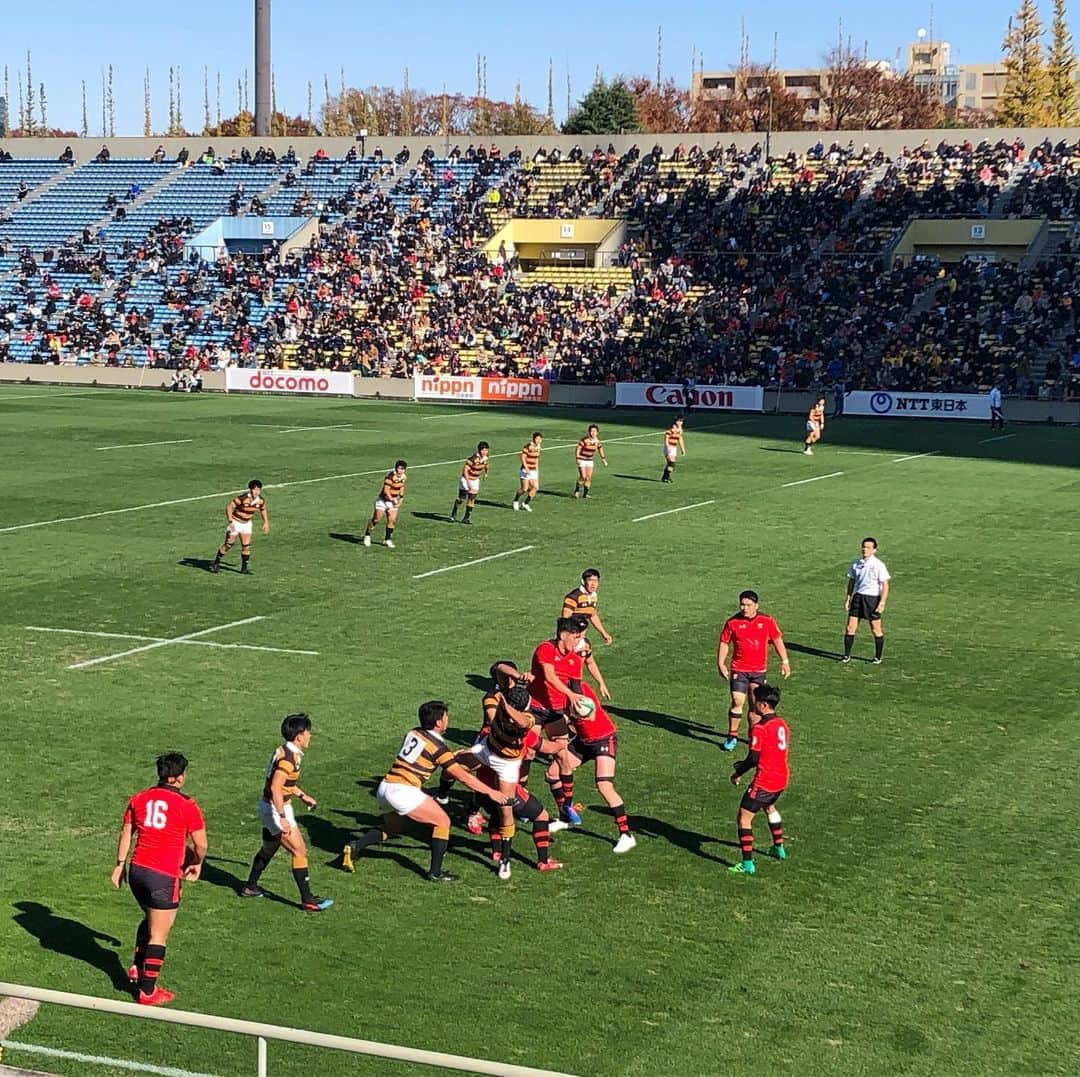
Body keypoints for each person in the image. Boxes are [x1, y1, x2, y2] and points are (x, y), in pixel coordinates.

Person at [338, 700, 508, 882]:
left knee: (393, 828)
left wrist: (452, 756)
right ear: (439, 722)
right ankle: (435, 872)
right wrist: (491, 792)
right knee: (443, 822)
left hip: (385, 787)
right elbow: (462, 776)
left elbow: (432, 754)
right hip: (404, 791)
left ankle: (354, 846)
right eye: (446, 716)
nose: (448, 719)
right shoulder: (439, 748)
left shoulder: (413, 732)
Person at [111, 753, 207, 1006]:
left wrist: (120, 865)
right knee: (159, 933)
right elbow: (201, 844)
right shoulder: (187, 804)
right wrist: (196, 862)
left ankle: (137, 967)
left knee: (150, 917)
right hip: (163, 875)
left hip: (137, 871)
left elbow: (127, 832)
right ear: (179, 777)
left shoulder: (139, 798)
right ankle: (148, 991)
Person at [240, 714, 332, 910]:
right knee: (299, 851)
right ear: (299, 735)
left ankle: (250, 887)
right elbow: (275, 787)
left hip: (274, 807)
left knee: (269, 849)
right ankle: (308, 899)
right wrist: (281, 817)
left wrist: (301, 795)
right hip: (275, 809)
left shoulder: (286, 751)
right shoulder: (288, 759)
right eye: (308, 733)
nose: (310, 736)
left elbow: (284, 784)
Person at [548, 680, 635, 853]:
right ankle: (566, 818)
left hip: (603, 738)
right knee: (552, 774)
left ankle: (626, 834)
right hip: (583, 741)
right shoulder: (555, 694)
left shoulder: (577, 688)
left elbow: (591, 715)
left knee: (604, 785)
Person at [717, 590, 791, 752]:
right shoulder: (732, 622)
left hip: (758, 671)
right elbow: (724, 642)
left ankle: (754, 738)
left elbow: (777, 640)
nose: (744, 608)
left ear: (756, 606)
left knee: (755, 706)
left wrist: (784, 661)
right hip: (739, 669)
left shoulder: (766, 621)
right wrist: (721, 663)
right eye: (742, 604)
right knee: (737, 701)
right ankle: (732, 735)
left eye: (748, 605)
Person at [728, 684, 790, 875]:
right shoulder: (782, 724)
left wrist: (738, 772)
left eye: (755, 700)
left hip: (765, 780)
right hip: (781, 779)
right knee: (769, 807)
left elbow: (754, 758)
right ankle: (778, 848)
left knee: (744, 818)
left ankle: (747, 865)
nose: (752, 703)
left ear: (763, 705)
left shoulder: (760, 728)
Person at [842, 537, 891, 664]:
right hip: (858, 597)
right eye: (864, 546)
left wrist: (882, 602)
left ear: (874, 550)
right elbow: (851, 581)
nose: (865, 549)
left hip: (872, 599)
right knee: (850, 627)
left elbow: (885, 585)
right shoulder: (855, 563)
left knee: (875, 629)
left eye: (868, 547)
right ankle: (846, 656)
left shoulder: (878, 565)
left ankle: (878, 657)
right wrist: (848, 598)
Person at [210, 479, 268, 574]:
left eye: (258, 490)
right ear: (250, 489)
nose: (256, 492)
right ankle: (216, 562)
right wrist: (230, 521)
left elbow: (263, 509)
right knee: (229, 544)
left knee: (246, 546)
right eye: (254, 489)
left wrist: (266, 522)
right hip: (236, 522)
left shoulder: (260, 500)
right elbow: (230, 506)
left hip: (247, 524)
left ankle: (244, 568)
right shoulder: (242, 498)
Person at [561, 567, 613, 646]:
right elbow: (565, 618)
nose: (593, 584)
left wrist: (604, 633)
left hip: (580, 635)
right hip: (569, 637)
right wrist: (573, 634)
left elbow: (592, 615)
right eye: (590, 580)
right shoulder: (574, 596)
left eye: (595, 581)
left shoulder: (593, 596)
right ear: (583, 581)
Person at [364, 459, 406, 548]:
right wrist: (392, 500)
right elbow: (386, 491)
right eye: (399, 468)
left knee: (392, 520)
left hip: (393, 501)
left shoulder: (403, 477)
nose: (401, 471)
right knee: (376, 519)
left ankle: (387, 539)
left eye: (403, 469)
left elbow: (401, 488)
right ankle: (367, 535)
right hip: (383, 501)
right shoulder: (390, 477)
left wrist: (401, 500)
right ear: (396, 468)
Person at [450, 441, 489, 524]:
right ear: (480, 450)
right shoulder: (473, 458)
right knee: (461, 499)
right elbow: (465, 470)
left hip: (475, 480)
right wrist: (468, 483)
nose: (485, 452)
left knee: (472, 498)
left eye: (486, 450)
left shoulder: (485, 457)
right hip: (466, 479)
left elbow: (486, 464)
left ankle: (466, 518)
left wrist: (486, 473)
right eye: (484, 450)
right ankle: (454, 512)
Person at [573, 424, 607, 499]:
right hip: (582, 459)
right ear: (589, 432)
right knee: (583, 476)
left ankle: (585, 494)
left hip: (589, 460)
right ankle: (577, 491)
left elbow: (600, 449)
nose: (593, 433)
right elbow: (578, 449)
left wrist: (603, 459)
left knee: (588, 478)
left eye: (594, 431)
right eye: (591, 431)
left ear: (597, 432)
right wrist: (577, 458)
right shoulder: (584, 440)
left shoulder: (597, 441)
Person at [512, 431, 543, 512]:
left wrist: (537, 469)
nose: (539, 440)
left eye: (540, 439)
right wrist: (527, 468)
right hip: (525, 470)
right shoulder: (528, 447)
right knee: (524, 489)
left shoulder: (538, 447)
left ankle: (525, 503)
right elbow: (522, 458)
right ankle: (516, 500)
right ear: (533, 439)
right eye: (537, 439)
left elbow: (536, 459)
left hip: (533, 470)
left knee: (536, 487)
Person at [661, 414, 686, 483]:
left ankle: (665, 476)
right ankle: (666, 477)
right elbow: (666, 438)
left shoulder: (680, 429)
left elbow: (680, 439)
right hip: (669, 447)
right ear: (676, 421)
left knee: (671, 464)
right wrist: (667, 447)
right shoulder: (671, 428)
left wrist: (682, 449)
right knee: (671, 463)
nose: (681, 422)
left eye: (682, 421)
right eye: (679, 421)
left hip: (674, 448)